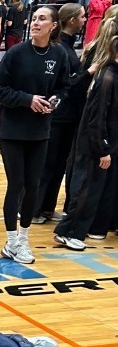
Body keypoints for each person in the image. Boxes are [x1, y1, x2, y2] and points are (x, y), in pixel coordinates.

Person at [0, 4, 69, 265]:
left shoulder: (58, 54)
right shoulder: (15, 53)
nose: (36, 23)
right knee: (16, 184)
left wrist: (56, 99)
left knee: (33, 186)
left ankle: (23, 238)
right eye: (34, 18)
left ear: (53, 25)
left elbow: (63, 87)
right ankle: (12, 240)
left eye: (42, 19)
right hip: (12, 130)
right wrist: (27, 100)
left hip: (40, 131)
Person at [53, 36, 118, 251]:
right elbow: (97, 117)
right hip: (95, 145)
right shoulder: (107, 78)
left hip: (103, 144)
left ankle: (70, 231)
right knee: (86, 190)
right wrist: (102, 148)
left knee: (92, 190)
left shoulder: (112, 75)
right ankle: (69, 231)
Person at [32, 3, 95, 224]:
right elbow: (66, 83)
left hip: (69, 116)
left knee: (59, 164)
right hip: (58, 116)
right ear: (71, 20)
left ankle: (47, 207)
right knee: (48, 163)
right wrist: (88, 72)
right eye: (82, 17)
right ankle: (34, 208)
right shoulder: (60, 49)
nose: (85, 20)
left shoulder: (68, 47)